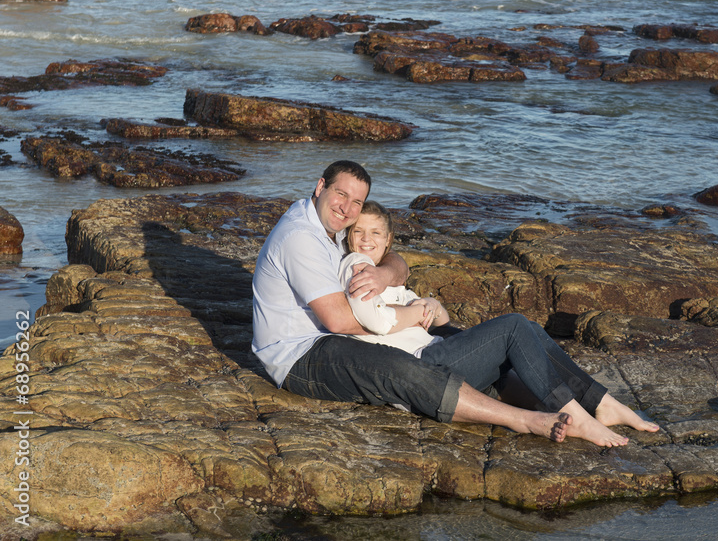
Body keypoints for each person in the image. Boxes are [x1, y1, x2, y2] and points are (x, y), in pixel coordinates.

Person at [251, 160, 655, 447]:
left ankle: (600, 402)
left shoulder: (334, 228)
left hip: (383, 342)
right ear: (321, 186)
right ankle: (570, 417)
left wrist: (387, 275)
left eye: (357, 202)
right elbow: (340, 320)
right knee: (506, 331)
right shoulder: (302, 237)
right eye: (341, 194)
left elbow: (394, 262)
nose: (347, 208)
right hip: (301, 353)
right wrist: (416, 315)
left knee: (520, 333)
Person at [339, 200, 660, 446]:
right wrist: (414, 312)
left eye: (375, 232)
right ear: (348, 237)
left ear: (389, 238)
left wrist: (432, 305)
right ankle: (578, 417)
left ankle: (601, 403)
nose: (367, 240)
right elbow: (377, 320)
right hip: (422, 370)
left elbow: (441, 322)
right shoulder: (357, 267)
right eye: (359, 232)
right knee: (515, 326)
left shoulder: (385, 274)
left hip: (438, 351)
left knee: (531, 330)